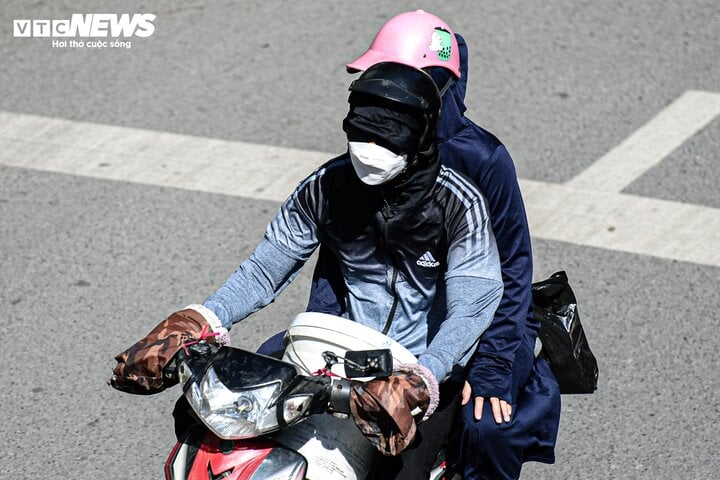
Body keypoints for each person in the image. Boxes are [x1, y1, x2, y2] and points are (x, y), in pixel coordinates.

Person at [111, 61, 504, 479]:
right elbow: (265, 269)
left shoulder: (459, 205)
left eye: (385, 136)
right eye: (361, 133)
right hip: (326, 350)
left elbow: (472, 307)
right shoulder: (326, 186)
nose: (368, 147)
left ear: (422, 137)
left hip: (413, 374)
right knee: (205, 419)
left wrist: (423, 377)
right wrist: (200, 319)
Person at [302, 10, 562, 480]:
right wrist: (322, 346)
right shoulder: (374, 145)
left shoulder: (483, 161)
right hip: (380, 324)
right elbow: (339, 258)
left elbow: (511, 274)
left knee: (486, 427)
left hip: (481, 325)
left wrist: (492, 368)